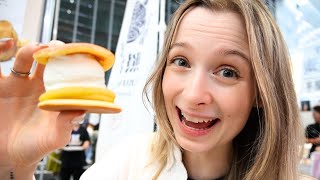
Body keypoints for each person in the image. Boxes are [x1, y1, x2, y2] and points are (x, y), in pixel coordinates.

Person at [0, 0, 312, 179]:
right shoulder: (127, 164)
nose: (193, 95)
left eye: (227, 71)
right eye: (181, 61)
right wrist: (17, 164)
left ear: (261, 92)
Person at [59, 115, 90, 180]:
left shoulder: (83, 130)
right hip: (66, 158)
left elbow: (87, 141)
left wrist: (85, 145)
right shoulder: (66, 128)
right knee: (64, 176)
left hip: (79, 158)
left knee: (78, 176)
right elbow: (60, 140)